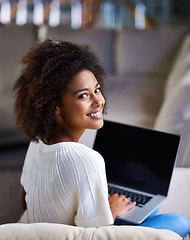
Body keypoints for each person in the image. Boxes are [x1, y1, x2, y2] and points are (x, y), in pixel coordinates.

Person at [13, 39, 190, 236]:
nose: (99, 101)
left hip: (38, 231)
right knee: (179, 222)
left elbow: (24, 201)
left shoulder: (37, 141)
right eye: (83, 96)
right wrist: (111, 210)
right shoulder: (88, 160)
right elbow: (98, 235)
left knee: (144, 206)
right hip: (85, 234)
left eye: (96, 90)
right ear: (55, 105)